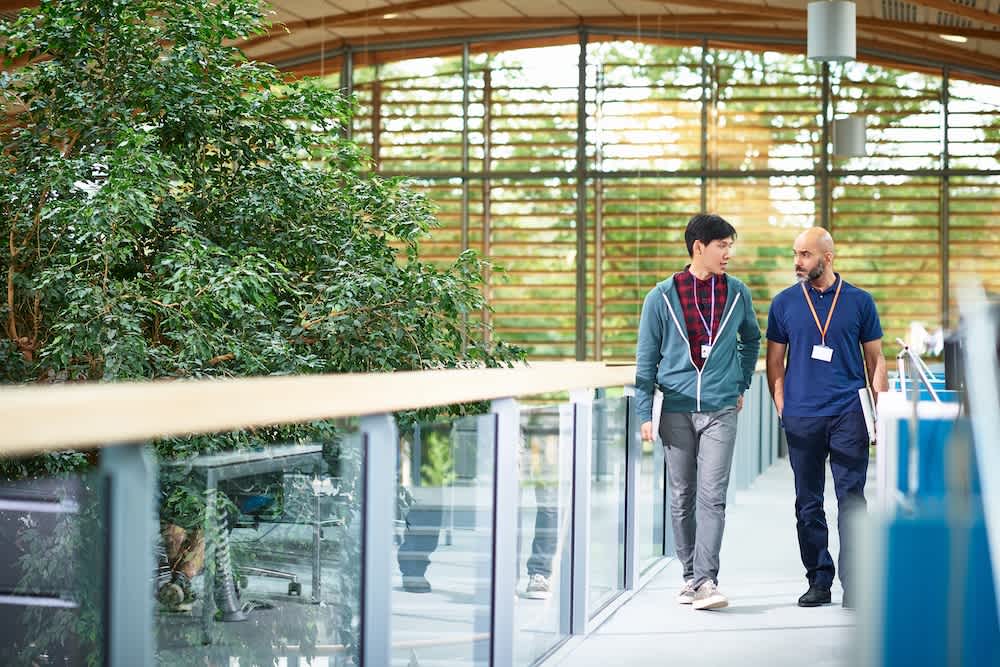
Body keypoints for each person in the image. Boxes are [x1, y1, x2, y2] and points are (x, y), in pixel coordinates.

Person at [635, 213, 760, 611]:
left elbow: (752, 340)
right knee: (681, 495)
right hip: (675, 408)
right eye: (722, 245)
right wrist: (644, 413)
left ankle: (706, 580)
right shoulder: (661, 296)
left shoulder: (737, 293)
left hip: (721, 409)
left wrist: (739, 383)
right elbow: (646, 361)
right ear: (698, 247)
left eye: (730, 245)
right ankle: (689, 576)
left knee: (712, 496)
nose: (728, 253)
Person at [765, 227, 887, 609]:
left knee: (852, 499)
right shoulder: (784, 303)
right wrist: (783, 405)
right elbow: (774, 362)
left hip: (848, 413)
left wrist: (878, 411)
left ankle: (857, 583)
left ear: (827, 257)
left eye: (805, 254)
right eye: (795, 253)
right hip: (802, 416)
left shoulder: (860, 302)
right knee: (808, 502)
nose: (798, 261)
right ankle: (818, 580)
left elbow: (876, 359)